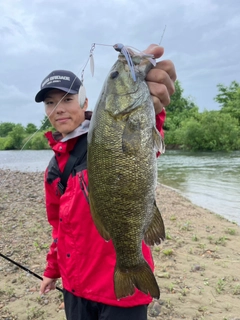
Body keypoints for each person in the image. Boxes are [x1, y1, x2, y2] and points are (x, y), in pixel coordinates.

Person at [36, 44, 177, 320]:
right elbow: (58, 228)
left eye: (67, 99)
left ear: (86, 102)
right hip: (75, 288)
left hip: (117, 296)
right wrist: (52, 271)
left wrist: (153, 102)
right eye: (50, 103)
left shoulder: (105, 133)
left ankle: (130, 265)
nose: (58, 109)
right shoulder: (54, 169)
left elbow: (146, 137)